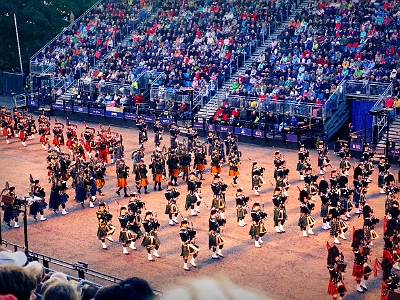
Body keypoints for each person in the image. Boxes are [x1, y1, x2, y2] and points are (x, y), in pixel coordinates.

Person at [352, 229, 372, 293]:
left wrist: (368, 251)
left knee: (368, 273)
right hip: (359, 262)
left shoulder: (363, 241)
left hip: (364, 260)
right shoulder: (355, 246)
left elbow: (367, 246)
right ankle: (358, 287)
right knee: (359, 276)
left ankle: (362, 284)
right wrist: (363, 262)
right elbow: (358, 256)